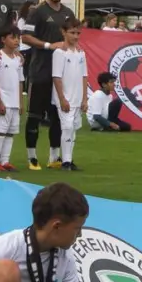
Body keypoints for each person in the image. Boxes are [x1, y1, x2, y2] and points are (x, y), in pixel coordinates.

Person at [21, 0, 76, 170]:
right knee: (35, 115)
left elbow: (72, 39)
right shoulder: (37, 12)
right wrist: (48, 45)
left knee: (58, 116)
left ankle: (54, 157)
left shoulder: (68, 13)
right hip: (40, 71)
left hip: (61, 75)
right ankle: (32, 157)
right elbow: (25, 37)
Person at [50, 19, 87, 171]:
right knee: (66, 126)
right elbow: (56, 77)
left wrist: (85, 98)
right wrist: (62, 98)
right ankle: (65, 161)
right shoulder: (59, 53)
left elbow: (85, 76)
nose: (76, 36)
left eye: (78, 33)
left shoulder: (81, 53)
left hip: (77, 97)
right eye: (72, 33)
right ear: (64, 32)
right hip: (65, 97)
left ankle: (69, 159)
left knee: (74, 128)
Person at [0, 25, 24, 172]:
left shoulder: (19, 60)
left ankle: (5, 160)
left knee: (10, 132)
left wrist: (20, 102)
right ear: (3, 39)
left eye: (18, 38)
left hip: (14, 102)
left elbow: (21, 81)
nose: (16, 41)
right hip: (3, 101)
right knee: (0, 131)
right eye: (12, 37)